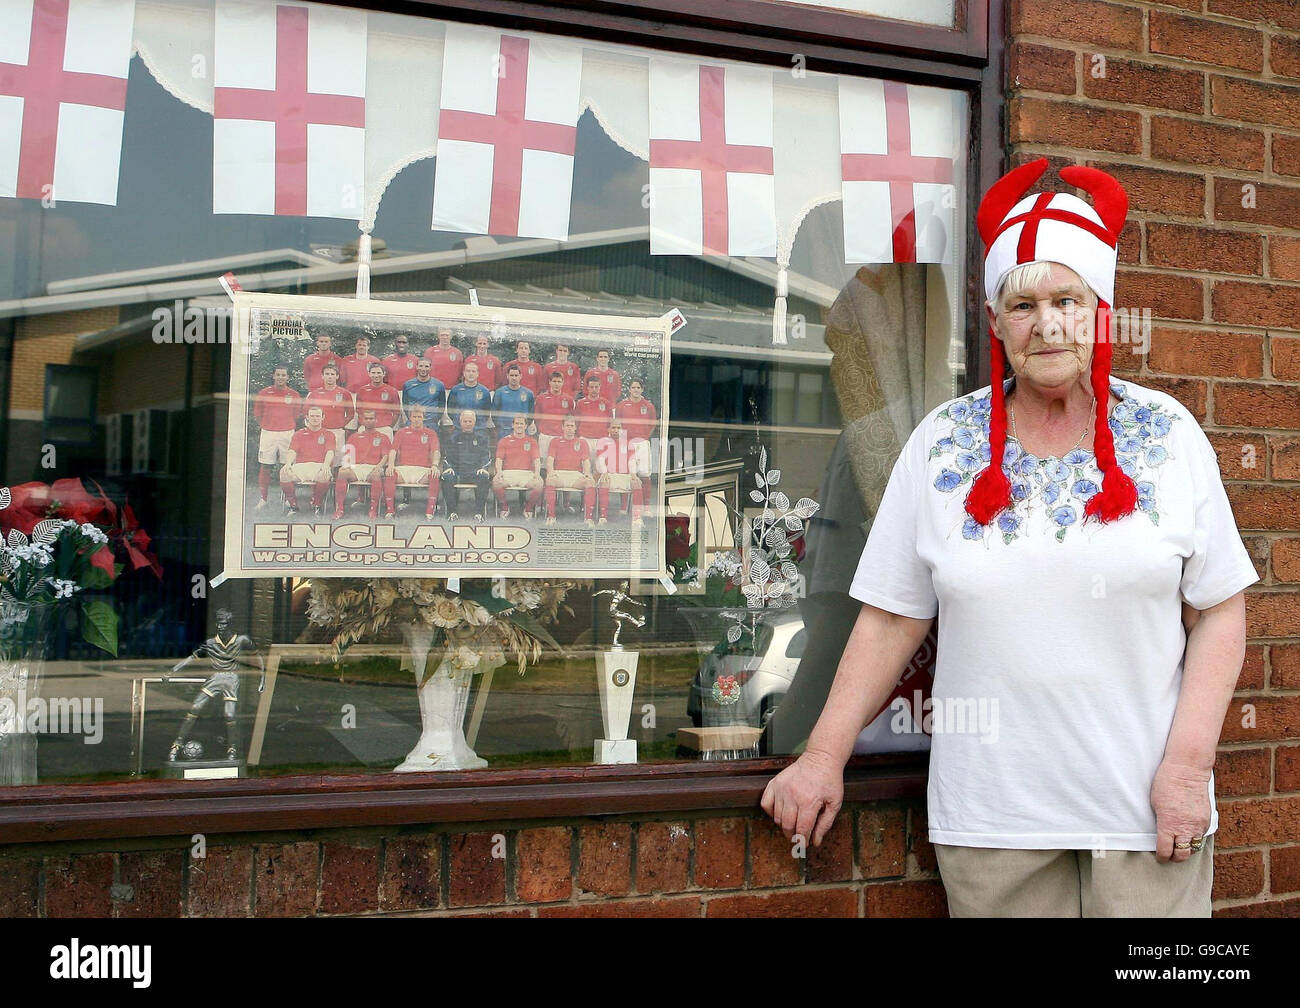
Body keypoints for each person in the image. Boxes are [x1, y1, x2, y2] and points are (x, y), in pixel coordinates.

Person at [759, 161, 1258, 918]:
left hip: (1147, 823)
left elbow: (1220, 610)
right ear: (995, 322)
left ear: (1100, 309)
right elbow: (891, 616)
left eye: (1067, 298)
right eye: (1022, 303)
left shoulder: (1169, 434)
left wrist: (1188, 770)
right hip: (994, 828)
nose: (1046, 323)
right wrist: (822, 756)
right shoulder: (941, 444)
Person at [252, 365, 302, 510]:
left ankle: (289, 498)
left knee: (287, 465)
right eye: (278, 375)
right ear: (273, 376)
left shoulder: (293, 394)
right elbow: (257, 413)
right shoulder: (264, 392)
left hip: (287, 433)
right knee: (266, 465)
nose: (280, 377)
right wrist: (266, 425)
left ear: (288, 377)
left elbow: (297, 414)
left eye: (283, 375)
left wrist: (286, 425)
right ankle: (263, 498)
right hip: (268, 433)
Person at [333, 409, 395, 520]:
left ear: (376, 420)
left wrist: (378, 467)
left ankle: (373, 509)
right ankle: (340, 509)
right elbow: (348, 455)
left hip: (373, 467)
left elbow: (386, 456)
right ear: (362, 420)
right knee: (342, 472)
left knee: (376, 474)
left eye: (371, 418)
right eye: (366, 418)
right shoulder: (355, 436)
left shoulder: (383, 437)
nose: (369, 421)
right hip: (357, 467)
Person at [280, 406, 335, 515]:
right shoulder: (299, 434)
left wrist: (326, 465)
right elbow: (292, 451)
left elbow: (330, 452)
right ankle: (293, 506)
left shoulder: (329, 434)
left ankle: (317, 504)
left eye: (318, 416)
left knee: (324, 475)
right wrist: (288, 463)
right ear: (307, 417)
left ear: (323, 417)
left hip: (319, 465)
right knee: (284, 473)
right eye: (312, 416)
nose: (315, 418)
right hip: (301, 466)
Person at [390, 404, 442, 519]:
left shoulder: (431, 433)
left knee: (434, 474)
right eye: (414, 417)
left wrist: (434, 465)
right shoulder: (401, 432)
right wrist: (390, 465)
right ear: (410, 418)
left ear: (424, 417)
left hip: (422, 470)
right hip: (404, 469)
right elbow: (393, 450)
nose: (417, 419)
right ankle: (390, 510)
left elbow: (436, 451)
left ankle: (430, 510)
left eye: (419, 417)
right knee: (390, 474)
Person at [441, 409, 493, 522]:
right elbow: (447, 456)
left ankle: (479, 513)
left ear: (474, 422)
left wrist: (483, 468)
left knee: (484, 477)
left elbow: (486, 456)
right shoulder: (453, 438)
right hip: (458, 471)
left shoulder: (481, 438)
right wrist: (448, 467)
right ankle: (452, 512)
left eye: (470, 421)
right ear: (460, 422)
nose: (468, 424)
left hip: (475, 471)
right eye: (465, 421)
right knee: (447, 477)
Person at [544, 416, 595, 525]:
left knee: (590, 482)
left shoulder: (582, 442)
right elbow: (550, 459)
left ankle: (588, 518)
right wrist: (551, 472)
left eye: (572, 426)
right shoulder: (555, 441)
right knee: (550, 481)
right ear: (562, 427)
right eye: (567, 426)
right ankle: (551, 516)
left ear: (575, 427)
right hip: (559, 474)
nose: (569, 428)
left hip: (575, 475)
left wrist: (587, 473)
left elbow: (586, 460)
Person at [593, 418, 643, 527]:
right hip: (609, 474)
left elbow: (632, 460)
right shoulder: (603, 441)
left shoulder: (629, 443)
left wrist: (633, 474)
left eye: (618, 428)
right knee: (604, 482)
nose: (616, 430)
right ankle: (603, 517)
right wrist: (604, 472)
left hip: (624, 475)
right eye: (613, 428)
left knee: (637, 483)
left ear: (622, 429)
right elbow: (601, 459)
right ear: (608, 429)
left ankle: (637, 519)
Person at [493, 414, 543, 519]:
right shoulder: (504, 441)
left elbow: (537, 460)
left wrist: (537, 474)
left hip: (526, 474)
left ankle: (528, 508)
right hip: (508, 473)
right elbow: (499, 459)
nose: (519, 426)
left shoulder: (532, 441)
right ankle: (505, 507)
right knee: (496, 483)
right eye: (517, 423)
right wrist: (498, 472)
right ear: (512, 425)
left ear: (526, 426)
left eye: (521, 424)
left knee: (539, 484)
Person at [303, 363, 354, 454]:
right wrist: (314, 425)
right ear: (322, 376)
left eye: (332, 374)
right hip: (320, 430)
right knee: (319, 455)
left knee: (337, 457)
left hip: (337, 430)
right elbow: (306, 411)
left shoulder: (344, 393)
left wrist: (341, 423)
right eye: (327, 374)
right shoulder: (315, 393)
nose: (329, 377)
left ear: (337, 376)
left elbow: (351, 413)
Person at [534, 371, 576, 463]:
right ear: (549, 382)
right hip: (546, 436)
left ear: (563, 382)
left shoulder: (568, 400)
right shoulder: (541, 398)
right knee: (544, 465)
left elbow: (570, 418)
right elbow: (537, 417)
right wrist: (542, 429)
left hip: (561, 436)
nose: (556, 384)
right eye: (554, 381)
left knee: (560, 463)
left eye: (559, 381)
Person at [353, 362, 401, 440]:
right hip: (366, 428)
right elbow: (359, 411)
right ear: (369, 374)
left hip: (384, 428)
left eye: (379, 373)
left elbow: (397, 412)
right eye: (373, 373)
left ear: (384, 374)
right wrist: (366, 424)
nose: (376, 375)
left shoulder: (392, 391)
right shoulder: (362, 390)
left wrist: (389, 426)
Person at [493, 364, 536, 442]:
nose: (514, 378)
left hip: (522, 432)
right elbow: (494, 413)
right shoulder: (500, 392)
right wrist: (500, 426)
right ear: (507, 376)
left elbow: (531, 413)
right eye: (511, 375)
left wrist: (522, 426)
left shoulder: (528, 393)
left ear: (520, 376)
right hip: (504, 431)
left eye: (516, 375)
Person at [447, 361, 493, 433]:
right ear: (464, 373)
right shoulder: (455, 390)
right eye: (468, 371)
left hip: (478, 429)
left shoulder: (484, 391)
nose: (471, 373)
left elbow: (486, 411)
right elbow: (450, 410)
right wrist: (460, 422)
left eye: (473, 371)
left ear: (477, 374)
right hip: (459, 429)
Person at [574, 374, 613, 454]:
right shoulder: (580, 403)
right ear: (587, 388)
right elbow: (576, 423)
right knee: (585, 465)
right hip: (585, 439)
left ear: (600, 387)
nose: (594, 389)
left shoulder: (606, 403)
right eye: (591, 387)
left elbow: (610, 423)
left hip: (601, 440)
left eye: (596, 387)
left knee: (600, 465)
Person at [402, 357, 447, 426]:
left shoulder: (439, 385)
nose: (423, 369)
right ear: (416, 367)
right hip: (413, 423)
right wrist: (412, 418)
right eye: (421, 366)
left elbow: (442, 405)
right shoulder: (408, 384)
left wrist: (435, 419)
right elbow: (405, 404)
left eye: (426, 366)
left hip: (431, 423)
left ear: (430, 368)